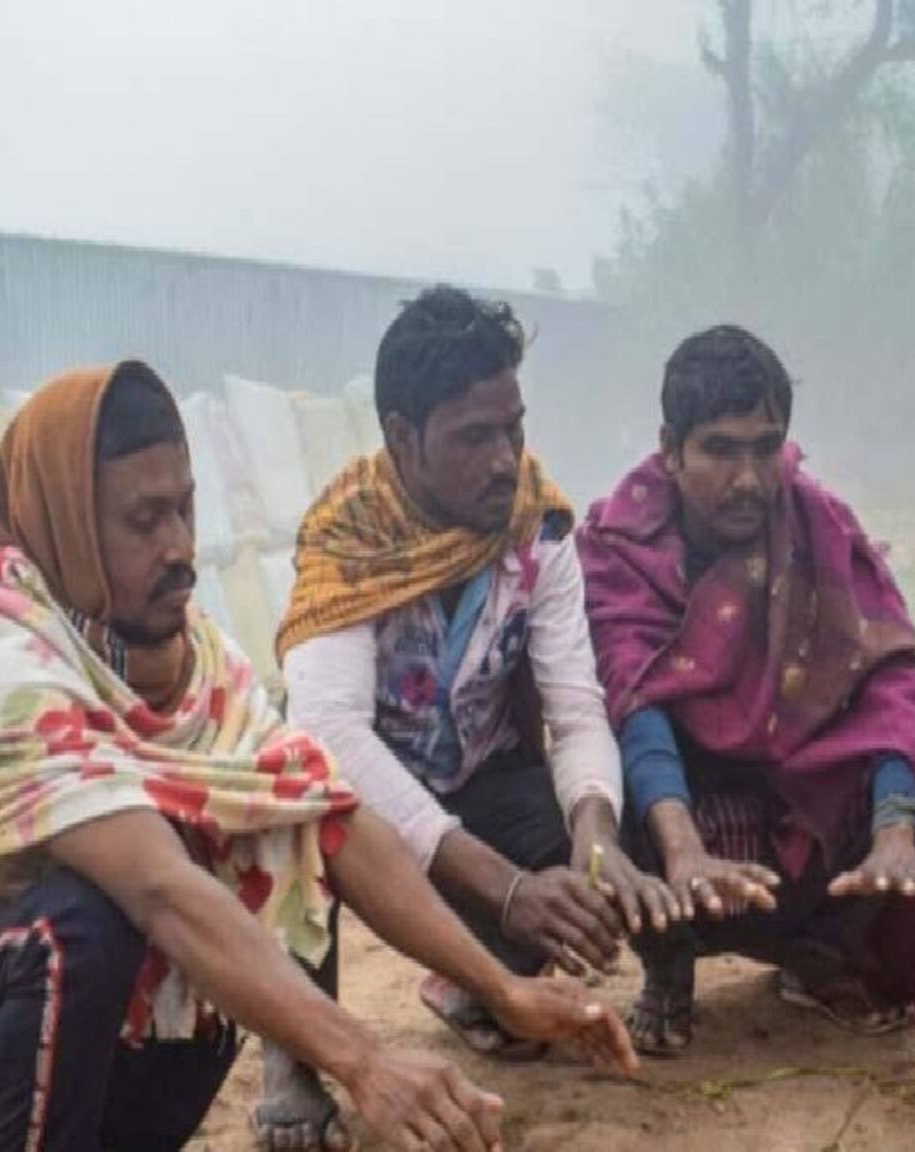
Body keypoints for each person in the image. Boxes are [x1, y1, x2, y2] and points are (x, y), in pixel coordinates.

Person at [0, 363, 634, 1152]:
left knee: (251, 845)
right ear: (69, 524)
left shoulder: (195, 658)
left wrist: (506, 989)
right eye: (144, 522)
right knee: (88, 922)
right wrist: (366, 1061)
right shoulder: (5, 665)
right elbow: (159, 891)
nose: (181, 547)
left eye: (184, 510)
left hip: (36, 1070)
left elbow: (331, 820)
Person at [263, 286, 669, 1146]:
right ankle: (296, 1056)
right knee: (292, 808)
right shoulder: (347, 540)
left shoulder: (538, 527)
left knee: (594, 846)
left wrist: (595, 836)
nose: (504, 460)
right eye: (473, 437)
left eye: (512, 428)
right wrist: (504, 889)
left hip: (478, 777)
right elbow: (331, 737)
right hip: (357, 803)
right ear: (403, 437)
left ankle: (477, 988)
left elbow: (576, 705)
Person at [577, 325, 915, 1058]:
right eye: (719, 448)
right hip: (682, 809)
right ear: (670, 449)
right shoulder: (620, 546)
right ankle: (669, 960)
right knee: (602, 771)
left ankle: (825, 954)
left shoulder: (820, 523)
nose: (748, 477)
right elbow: (636, 697)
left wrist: (896, 832)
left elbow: (893, 680)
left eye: (765, 447)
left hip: (798, 804)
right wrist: (683, 853)